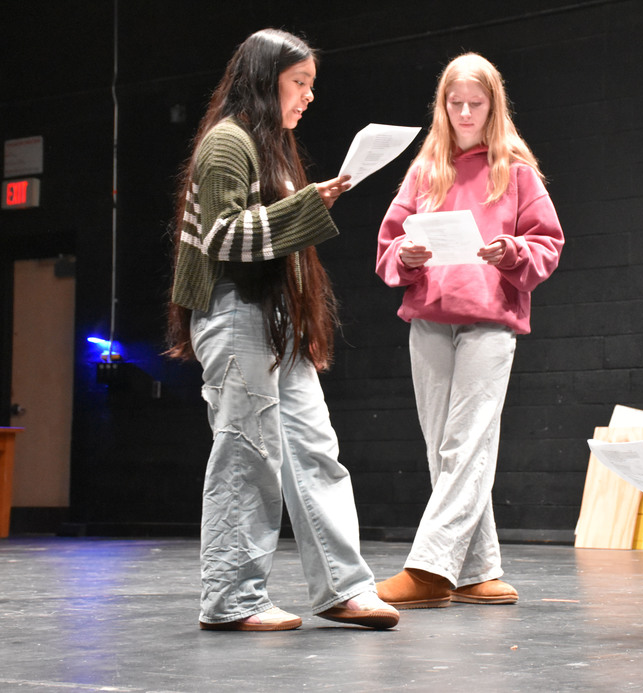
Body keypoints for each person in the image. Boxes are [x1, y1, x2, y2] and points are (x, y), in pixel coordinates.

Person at [165, 28, 399, 632]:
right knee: (247, 453)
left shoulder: (269, 147)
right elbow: (222, 237)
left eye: (311, 86)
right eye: (300, 84)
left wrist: (307, 201)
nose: (308, 97)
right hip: (234, 311)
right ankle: (230, 599)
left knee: (315, 451)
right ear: (267, 82)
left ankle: (344, 589)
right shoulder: (228, 143)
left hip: (272, 318)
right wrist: (308, 204)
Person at [374, 53, 564, 608]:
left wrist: (511, 252)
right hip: (430, 320)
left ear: (492, 105)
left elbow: (547, 244)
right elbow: (388, 247)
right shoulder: (424, 171)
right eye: (453, 103)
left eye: (474, 104)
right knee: (445, 449)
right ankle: (479, 569)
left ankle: (431, 569)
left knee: (467, 443)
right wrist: (406, 255)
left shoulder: (517, 172)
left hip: (488, 322)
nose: (462, 113)